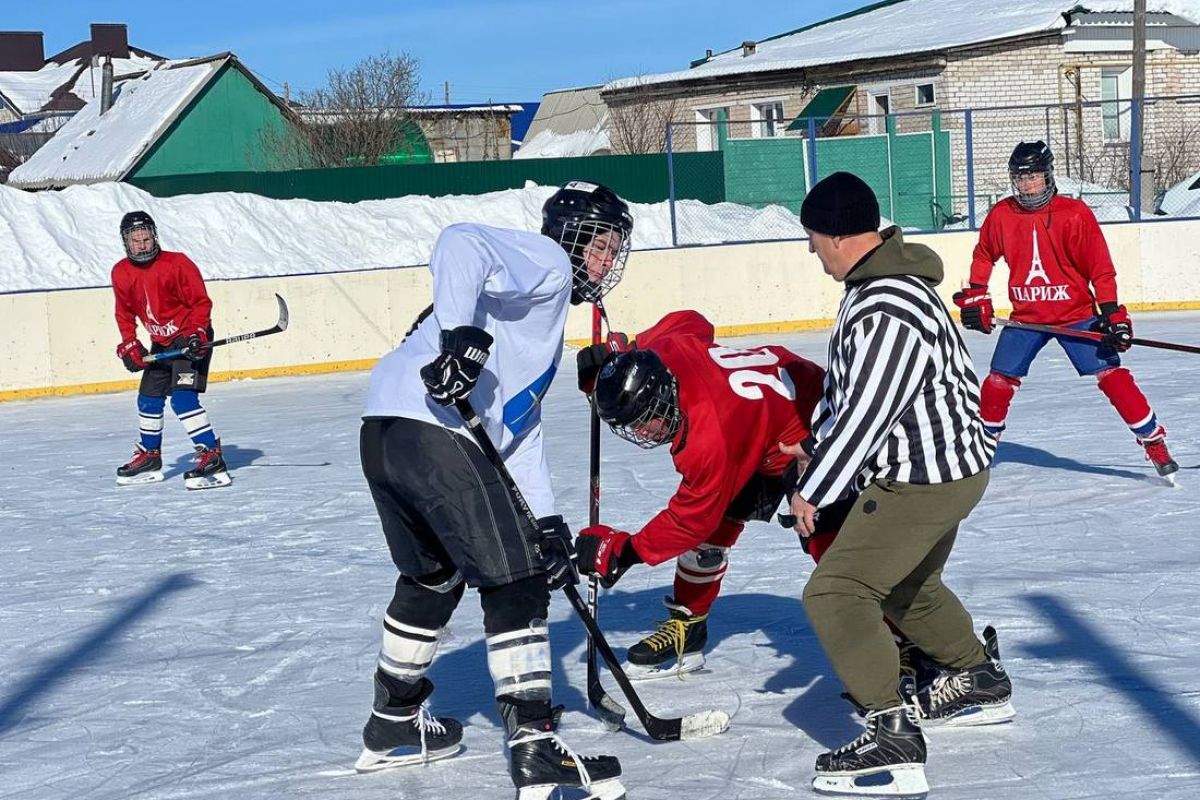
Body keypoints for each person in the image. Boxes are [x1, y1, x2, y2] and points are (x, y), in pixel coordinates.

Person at [355, 181, 633, 800]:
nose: (608, 260)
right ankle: (534, 746)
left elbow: (518, 429)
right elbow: (459, 243)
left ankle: (393, 722)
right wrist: (459, 338)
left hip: (384, 432)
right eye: (603, 244)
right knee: (517, 580)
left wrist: (548, 522)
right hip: (433, 433)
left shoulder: (538, 320)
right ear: (573, 235)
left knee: (433, 579)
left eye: (615, 248)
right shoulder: (551, 264)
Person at [790, 172, 1011, 798]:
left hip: (924, 477)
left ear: (837, 235)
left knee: (836, 593)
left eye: (812, 238)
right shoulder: (881, 287)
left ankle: (890, 732)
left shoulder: (887, 303)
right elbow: (852, 395)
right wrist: (813, 445)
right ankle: (977, 679)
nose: (811, 251)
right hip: (946, 470)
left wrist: (817, 487)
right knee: (908, 586)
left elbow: (870, 411)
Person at [571, 309, 836, 680]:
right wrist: (620, 358)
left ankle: (905, 646)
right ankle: (690, 627)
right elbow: (691, 321)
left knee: (831, 544)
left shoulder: (708, 441)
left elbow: (690, 519)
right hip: (757, 422)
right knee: (717, 532)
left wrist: (623, 552)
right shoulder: (666, 350)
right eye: (632, 425)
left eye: (646, 418)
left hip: (810, 424)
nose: (644, 432)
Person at [954, 140, 1177, 479]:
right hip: (1027, 319)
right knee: (998, 381)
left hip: (1077, 315)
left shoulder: (1074, 214)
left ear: (1049, 176)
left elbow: (1100, 269)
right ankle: (984, 448)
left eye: (1035, 176)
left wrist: (1112, 313)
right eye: (1021, 178)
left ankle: (1153, 440)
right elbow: (984, 254)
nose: (1028, 185)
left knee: (1112, 376)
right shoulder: (1002, 215)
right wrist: (976, 295)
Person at [111, 210, 230, 490]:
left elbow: (201, 303)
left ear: (154, 237)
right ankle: (150, 456)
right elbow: (124, 313)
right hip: (162, 343)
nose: (141, 244)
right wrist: (130, 344)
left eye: (145, 237)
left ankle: (212, 454)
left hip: (191, 340)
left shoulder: (177, 264)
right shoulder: (121, 272)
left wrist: (196, 333)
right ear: (125, 242)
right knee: (148, 399)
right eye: (135, 239)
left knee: (182, 400)